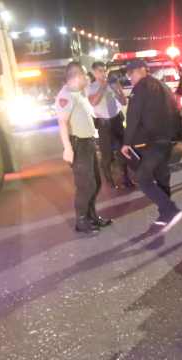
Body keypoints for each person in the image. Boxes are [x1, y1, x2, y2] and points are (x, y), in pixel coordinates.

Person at [121, 60, 182, 227]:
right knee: (163, 175)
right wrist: (176, 135)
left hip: (151, 142)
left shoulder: (140, 88)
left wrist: (126, 143)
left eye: (131, 74)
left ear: (140, 71)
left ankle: (169, 208)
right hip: (166, 140)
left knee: (143, 178)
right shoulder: (163, 86)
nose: (130, 78)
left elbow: (133, 117)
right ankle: (165, 212)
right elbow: (176, 111)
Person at [56, 61, 112, 234]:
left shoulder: (79, 92)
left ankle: (92, 216)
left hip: (88, 143)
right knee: (85, 185)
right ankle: (81, 221)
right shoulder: (66, 96)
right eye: (84, 75)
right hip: (78, 145)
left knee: (95, 182)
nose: (87, 77)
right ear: (77, 76)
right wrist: (67, 148)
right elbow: (62, 123)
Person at [87, 61, 133, 189]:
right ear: (94, 73)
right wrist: (103, 86)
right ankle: (109, 180)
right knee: (106, 155)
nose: (103, 73)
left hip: (116, 121)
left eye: (104, 70)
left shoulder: (113, 84)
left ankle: (126, 178)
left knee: (123, 151)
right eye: (100, 71)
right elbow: (94, 102)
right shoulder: (91, 87)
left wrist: (118, 90)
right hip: (103, 124)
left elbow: (123, 102)